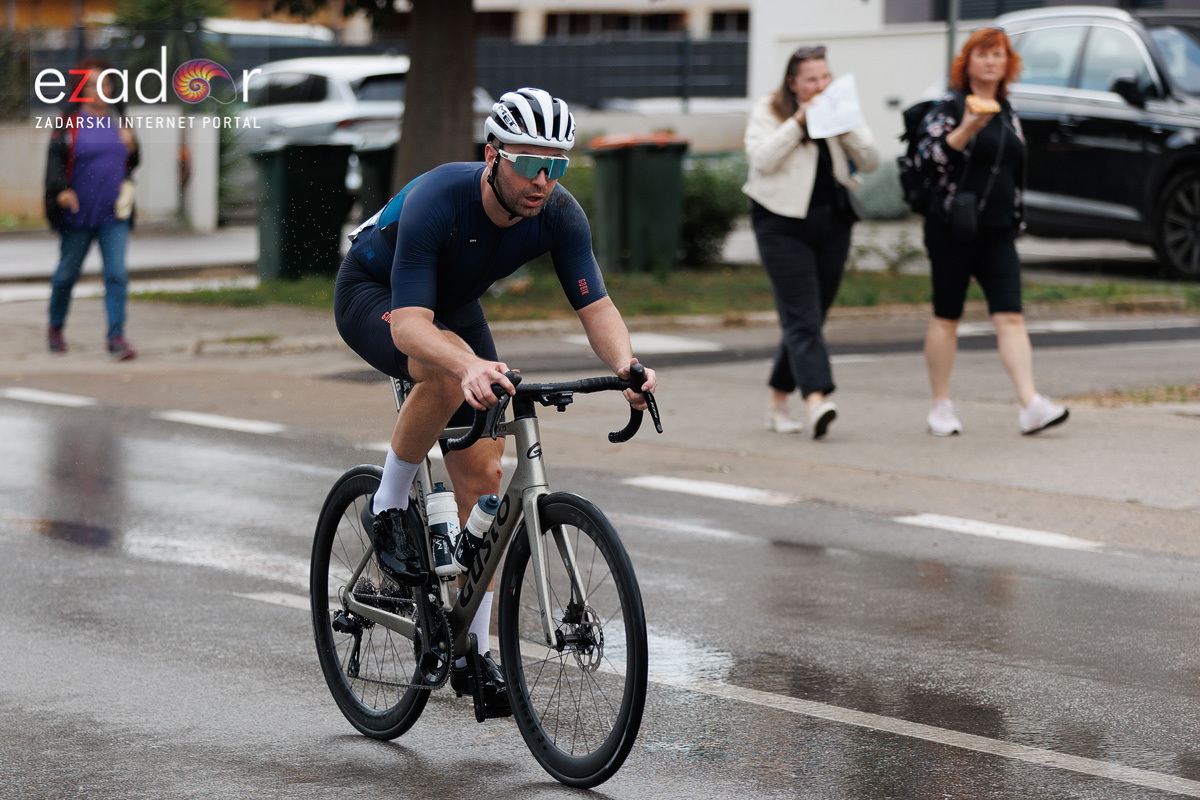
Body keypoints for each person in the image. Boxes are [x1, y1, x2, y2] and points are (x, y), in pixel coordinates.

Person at [333, 87, 657, 712]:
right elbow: (408, 327)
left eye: (557, 165)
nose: (544, 180)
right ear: (493, 155)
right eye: (530, 163)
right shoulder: (439, 198)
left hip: (451, 307)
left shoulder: (559, 213)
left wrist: (627, 366)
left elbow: (596, 305)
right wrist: (468, 364)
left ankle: (470, 654)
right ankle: (388, 500)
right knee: (446, 373)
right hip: (376, 295)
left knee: (483, 476)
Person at [914, 27, 1068, 437]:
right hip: (952, 229)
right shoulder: (947, 107)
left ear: (1008, 62)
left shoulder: (1008, 110)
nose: (990, 61)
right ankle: (941, 406)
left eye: (997, 54)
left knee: (1010, 316)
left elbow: (1014, 170)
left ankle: (1030, 404)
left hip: (998, 231)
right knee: (947, 317)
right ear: (967, 62)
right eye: (982, 54)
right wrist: (966, 128)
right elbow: (929, 161)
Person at [743, 45, 879, 440]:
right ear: (793, 83)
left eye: (825, 77)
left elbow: (870, 160)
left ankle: (776, 402)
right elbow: (762, 160)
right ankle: (817, 400)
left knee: (811, 316)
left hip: (832, 221)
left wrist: (844, 125)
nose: (821, 86)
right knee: (802, 315)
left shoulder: (841, 106)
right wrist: (800, 122)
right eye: (811, 80)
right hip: (780, 223)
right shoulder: (768, 109)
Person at [43, 57, 139, 360]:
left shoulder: (119, 119)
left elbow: (132, 162)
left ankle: (116, 337)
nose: (101, 90)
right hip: (78, 213)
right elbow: (55, 162)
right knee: (66, 275)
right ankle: (56, 327)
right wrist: (61, 191)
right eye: (93, 85)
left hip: (114, 214)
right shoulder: (68, 122)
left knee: (117, 275)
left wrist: (134, 147)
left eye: (106, 84)